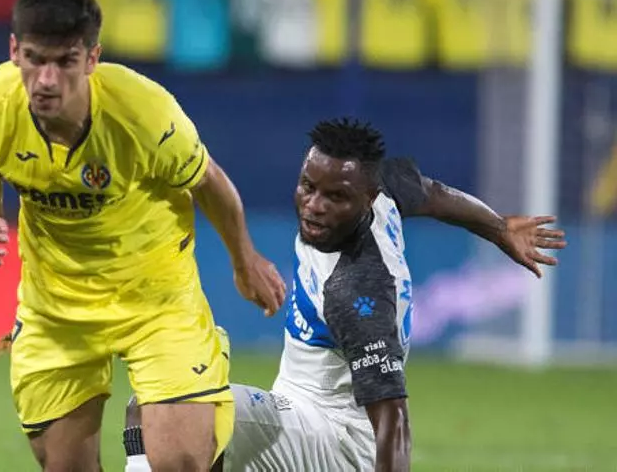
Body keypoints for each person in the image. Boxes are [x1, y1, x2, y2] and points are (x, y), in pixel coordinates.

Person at [0, 0, 286, 471]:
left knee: (180, 462)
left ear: (92, 58)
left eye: (65, 61)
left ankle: (195, 393)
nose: (46, 79)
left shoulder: (143, 112)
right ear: (13, 51)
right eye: (34, 59)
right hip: (56, 310)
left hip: (155, 301)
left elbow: (210, 183)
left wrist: (245, 261)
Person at [122, 117, 567, 471]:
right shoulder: (384, 187)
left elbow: (392, 416)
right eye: (308, 186)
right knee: (177, 424)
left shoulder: (355, 290)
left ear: (368, 199)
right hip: (295, 413)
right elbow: (435, 194)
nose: (315, 204)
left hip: (336, 441)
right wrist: (499, 227)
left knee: (167, 408)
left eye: (335, 197)